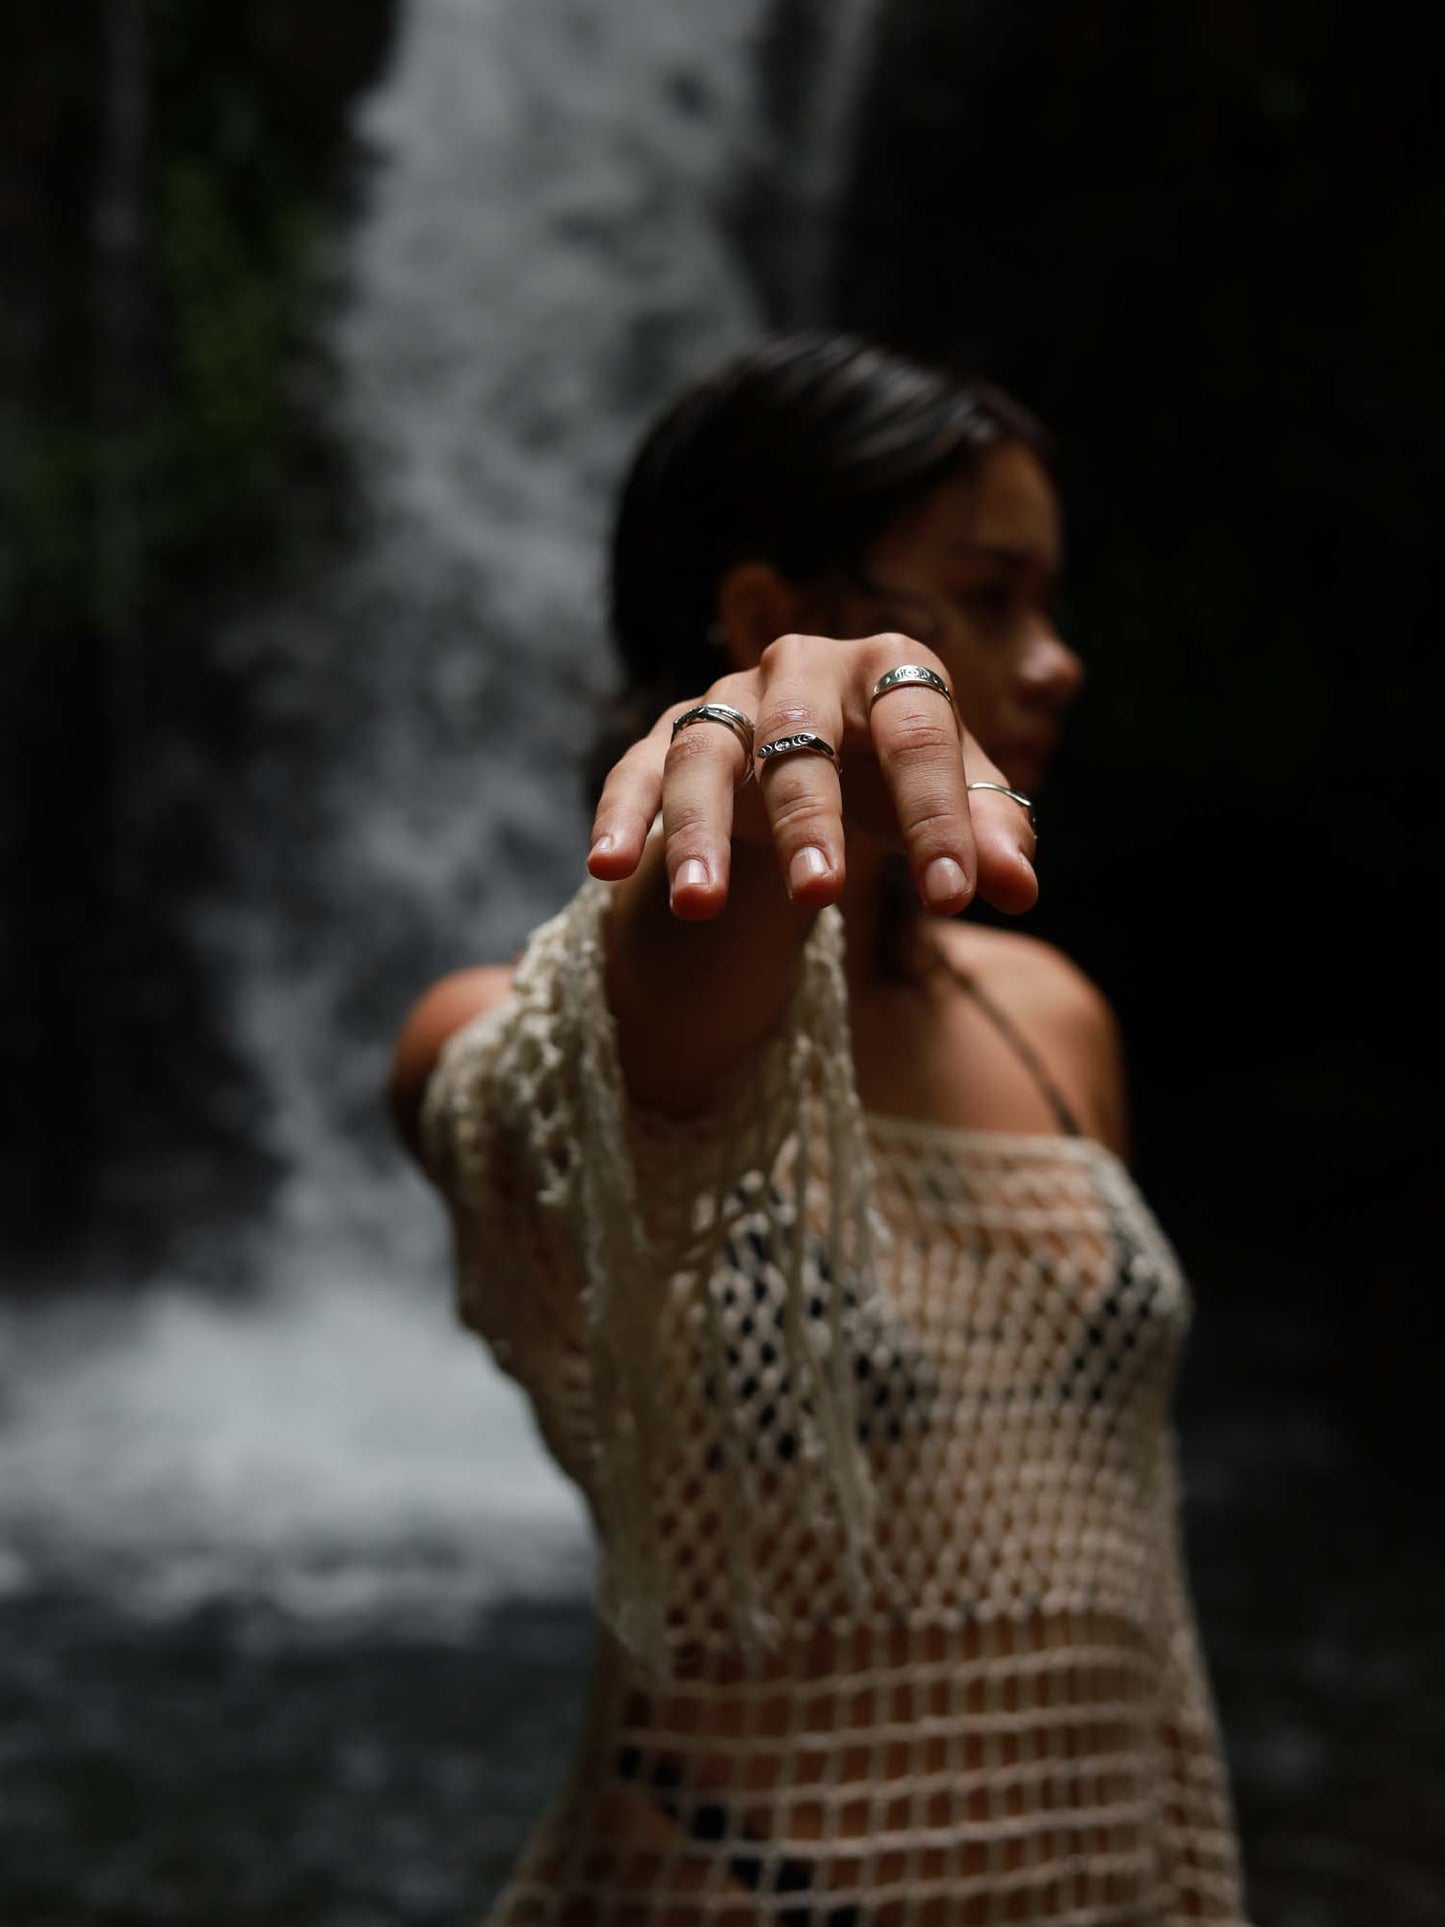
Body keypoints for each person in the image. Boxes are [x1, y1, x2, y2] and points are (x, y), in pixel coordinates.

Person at [389, 334, 1248, 1924]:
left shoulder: (1050, 1020)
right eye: (987, 598)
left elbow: (1139, 1595)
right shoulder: (505, 1035)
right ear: (761, 618)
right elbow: (637, 1078)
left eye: (1046, 603)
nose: (1053, 659)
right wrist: (792, 720)